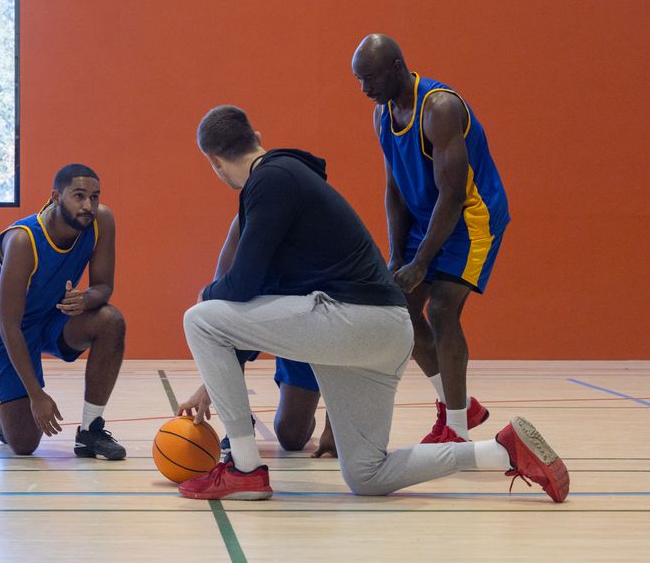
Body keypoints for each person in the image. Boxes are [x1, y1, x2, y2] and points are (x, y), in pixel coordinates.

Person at [177, 105, 567, 503]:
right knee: (368, 475)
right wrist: (213, 381)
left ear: (214, 160)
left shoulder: (270, 180)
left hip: (352, 322)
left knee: (200, 317)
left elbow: (240, 287)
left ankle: (244, 469)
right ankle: (501, 450)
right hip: (383, 331)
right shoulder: (288, 178)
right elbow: (254, 302)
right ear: (255, 133)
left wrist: (204, 298)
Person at [352, 34, 508, 443]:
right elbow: (394, 188)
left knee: (440, 310)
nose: (364, 89)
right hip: (427, 215)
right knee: (400, 311)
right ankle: (461, 407)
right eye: (359, 80)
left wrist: (422, 262)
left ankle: (455, 431)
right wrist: (396, 255)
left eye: (370, 78)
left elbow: (454, 195)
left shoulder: (439, 108)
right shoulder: (382, 114)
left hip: (471, 217)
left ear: (398, 68)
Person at [0, 164, 127, 459]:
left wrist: (86, 300)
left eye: (94, 197)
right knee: (23, 445)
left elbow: (103, 287)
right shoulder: (23, 240)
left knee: (111, 320)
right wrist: (36, 395)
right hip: (7, 326)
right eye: (79, 196)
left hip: (53, 315)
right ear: (56, 197)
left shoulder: (101, 221)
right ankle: (8, 413)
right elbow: (10, 325)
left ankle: (90, 431)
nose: (88, 205)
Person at [178, 215, 336, 458]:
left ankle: (311, 402)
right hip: (261, 317)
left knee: (292, 438)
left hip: (307, 324)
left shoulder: (317, 226)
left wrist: (334, 424)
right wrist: (209, 386)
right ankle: (239, 425)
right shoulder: (244, 224)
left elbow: (341, 323)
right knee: (214, 316)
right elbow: (218, 310)